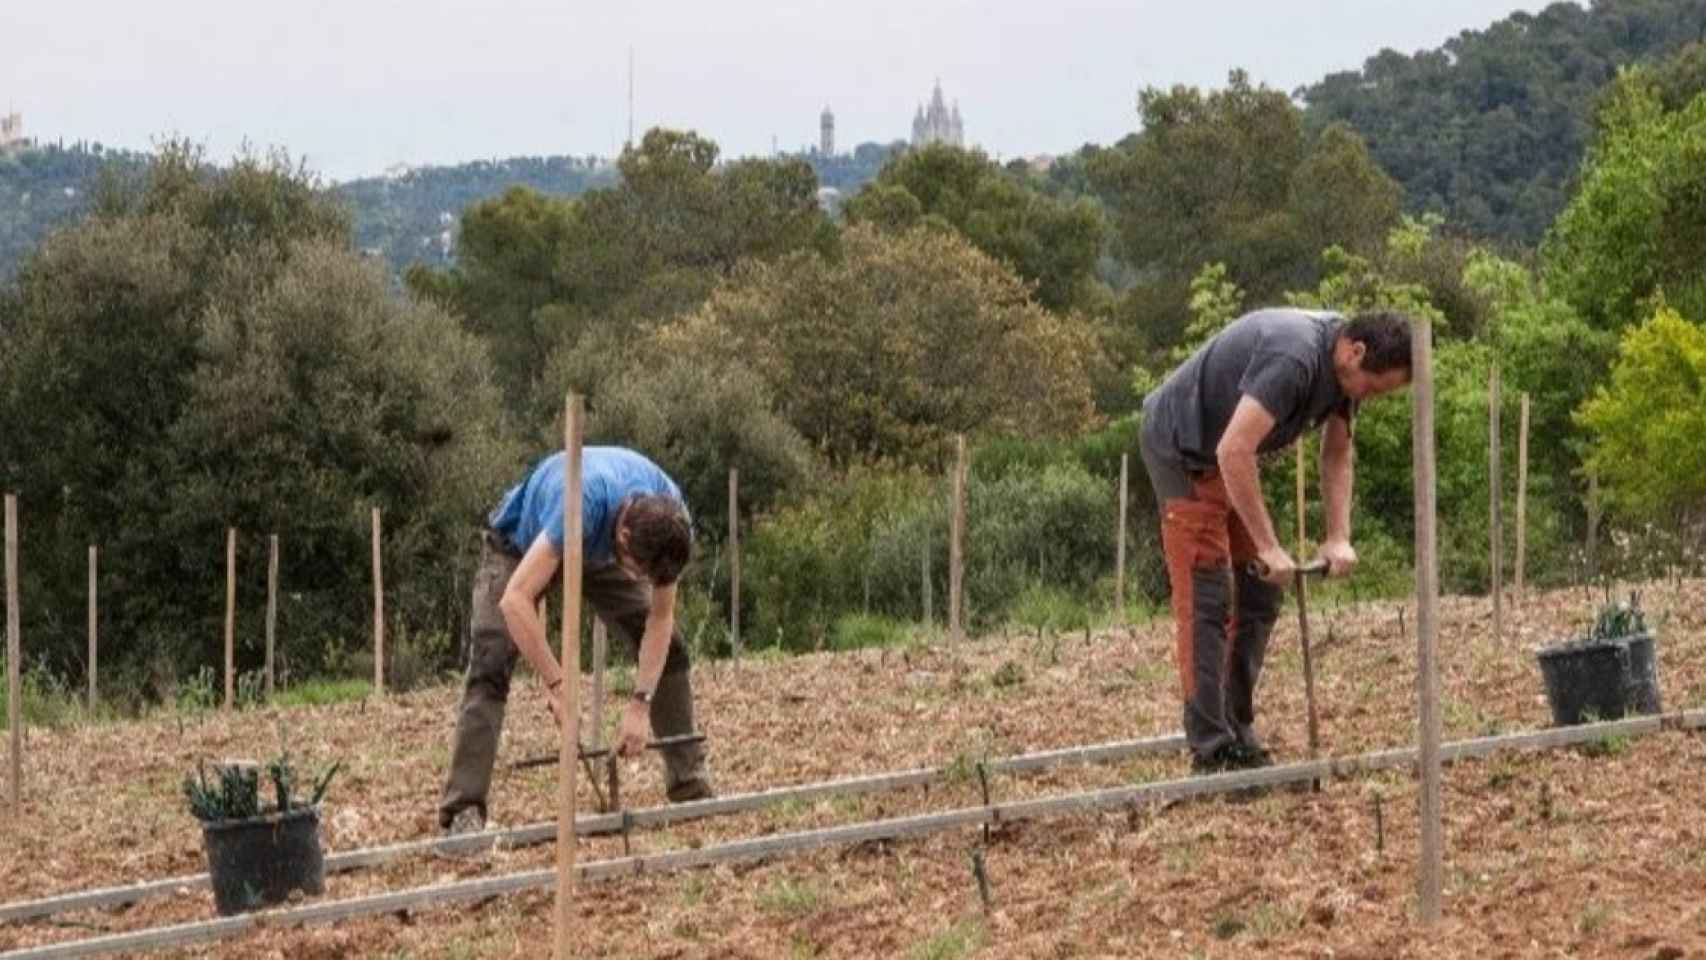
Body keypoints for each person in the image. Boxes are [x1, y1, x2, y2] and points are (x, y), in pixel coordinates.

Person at [1139, 308, 1412, 773]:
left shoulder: (1346, 373)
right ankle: (1211, 747)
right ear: (1355, 351)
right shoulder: (1295, 357)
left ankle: (1237, 725)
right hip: (1182, 448)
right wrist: (1268, 545)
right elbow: (1233, 450)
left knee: (1262, 587)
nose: (1370, 396)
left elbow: (1337, 455)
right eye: (1373, 386)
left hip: (1228, 457)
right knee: (1207, 593)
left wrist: (1338, 535)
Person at [439, 446, 712, 837]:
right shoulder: (581, 503)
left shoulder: (671, 523)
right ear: (624, 534)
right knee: (490, 663)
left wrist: (640, 703)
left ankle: (690, 787)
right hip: (520, 547)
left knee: (672, 652)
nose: (642, 581)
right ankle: (462, 812)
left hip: (602, 554)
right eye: (640, 572)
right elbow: (515, 600)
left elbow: (661, 616)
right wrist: (557, 683)